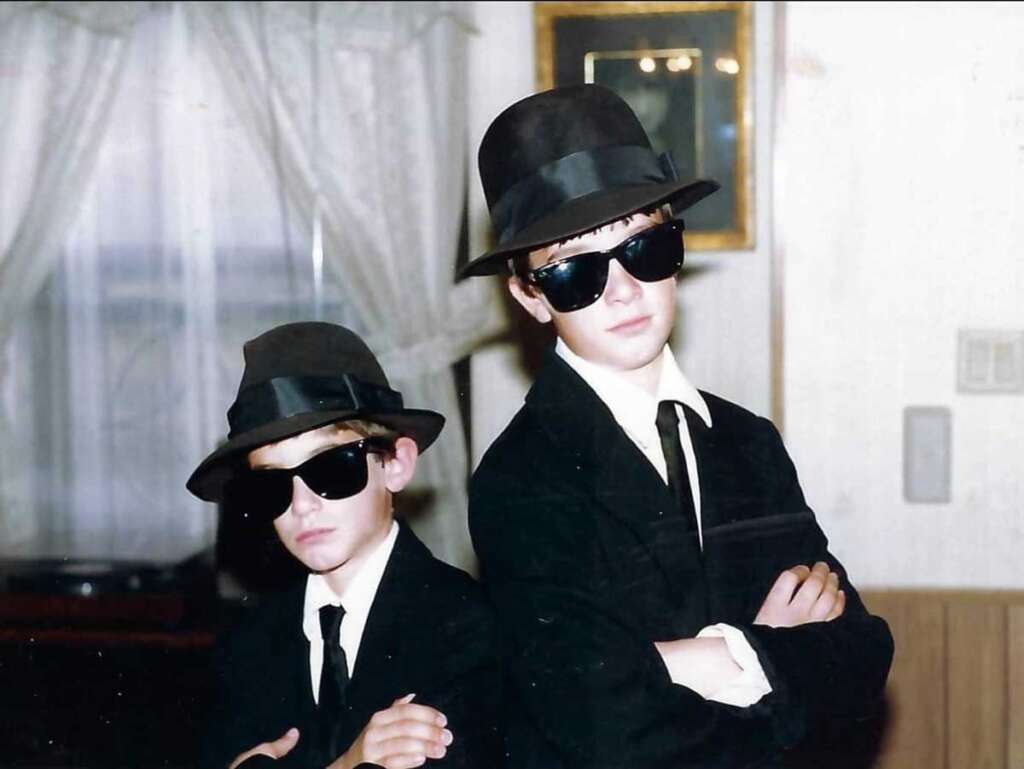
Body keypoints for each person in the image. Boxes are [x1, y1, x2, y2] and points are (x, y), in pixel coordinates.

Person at [459, 84, 893, 768]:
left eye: (643, 248)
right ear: (530, 296)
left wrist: (687, 661)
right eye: (576, 271)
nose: (623, 290)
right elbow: (604, 724)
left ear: (677, 248)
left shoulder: (749, 442)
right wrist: (763, 648)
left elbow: (863, 654)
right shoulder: (518, 480)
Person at [187, 322, 503, 769]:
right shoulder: (248, 645)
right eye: (271, 486)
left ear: (395, 464)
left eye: (332, 469)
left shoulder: (465, 626)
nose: (303, 505)